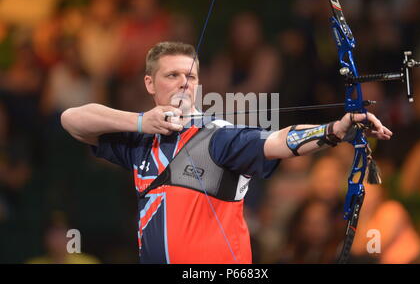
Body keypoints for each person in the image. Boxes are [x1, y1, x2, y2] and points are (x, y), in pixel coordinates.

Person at [61, 41, 392, 264]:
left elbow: (276, 142)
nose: (183, 83)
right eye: (172, 75)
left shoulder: (217, 136)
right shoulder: (140, 141)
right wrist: (139, 121)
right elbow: (73, 120)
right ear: (150, 83)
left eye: (190, 76)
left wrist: (333, 130)